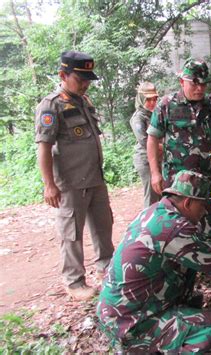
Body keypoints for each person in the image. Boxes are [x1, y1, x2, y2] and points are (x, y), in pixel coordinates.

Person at [97, 170, 211, 353]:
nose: (204, 213)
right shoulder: (174, 229)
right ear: (188, 202)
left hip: (120, 312)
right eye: (203, 206)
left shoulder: (154, 212)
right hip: (130, 324)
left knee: (192, 297)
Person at [35, 51, 114, 301]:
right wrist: (49, 185)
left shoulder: (85, 101)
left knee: (103, 226)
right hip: (70, 183)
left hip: (95, 179)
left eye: (87, 79)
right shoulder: (51, 105)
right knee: (71, 233)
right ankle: (74, 281)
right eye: (80, 79)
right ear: (63, 75)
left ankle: (106, 267)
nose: (85, 83)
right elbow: (44, 146)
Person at [146, 58, 211, 243]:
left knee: (209, 227)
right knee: (175, 228)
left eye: (204, 84)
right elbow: (152, 139)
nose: (200, 88)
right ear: (182, 82)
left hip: (206, 178)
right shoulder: (166, 105)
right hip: (176, 181)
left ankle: (208, 264)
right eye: (195, 84)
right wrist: (154, 173)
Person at [130, 82, 160, 207]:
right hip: (145, 160)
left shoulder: (156, 114)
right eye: (148, 99)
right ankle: (148, 225)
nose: (152, 102)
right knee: (152, 196)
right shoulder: (138, 118)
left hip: (159, 158)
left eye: (154, 99)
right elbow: (145, 142)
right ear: (142, 99)